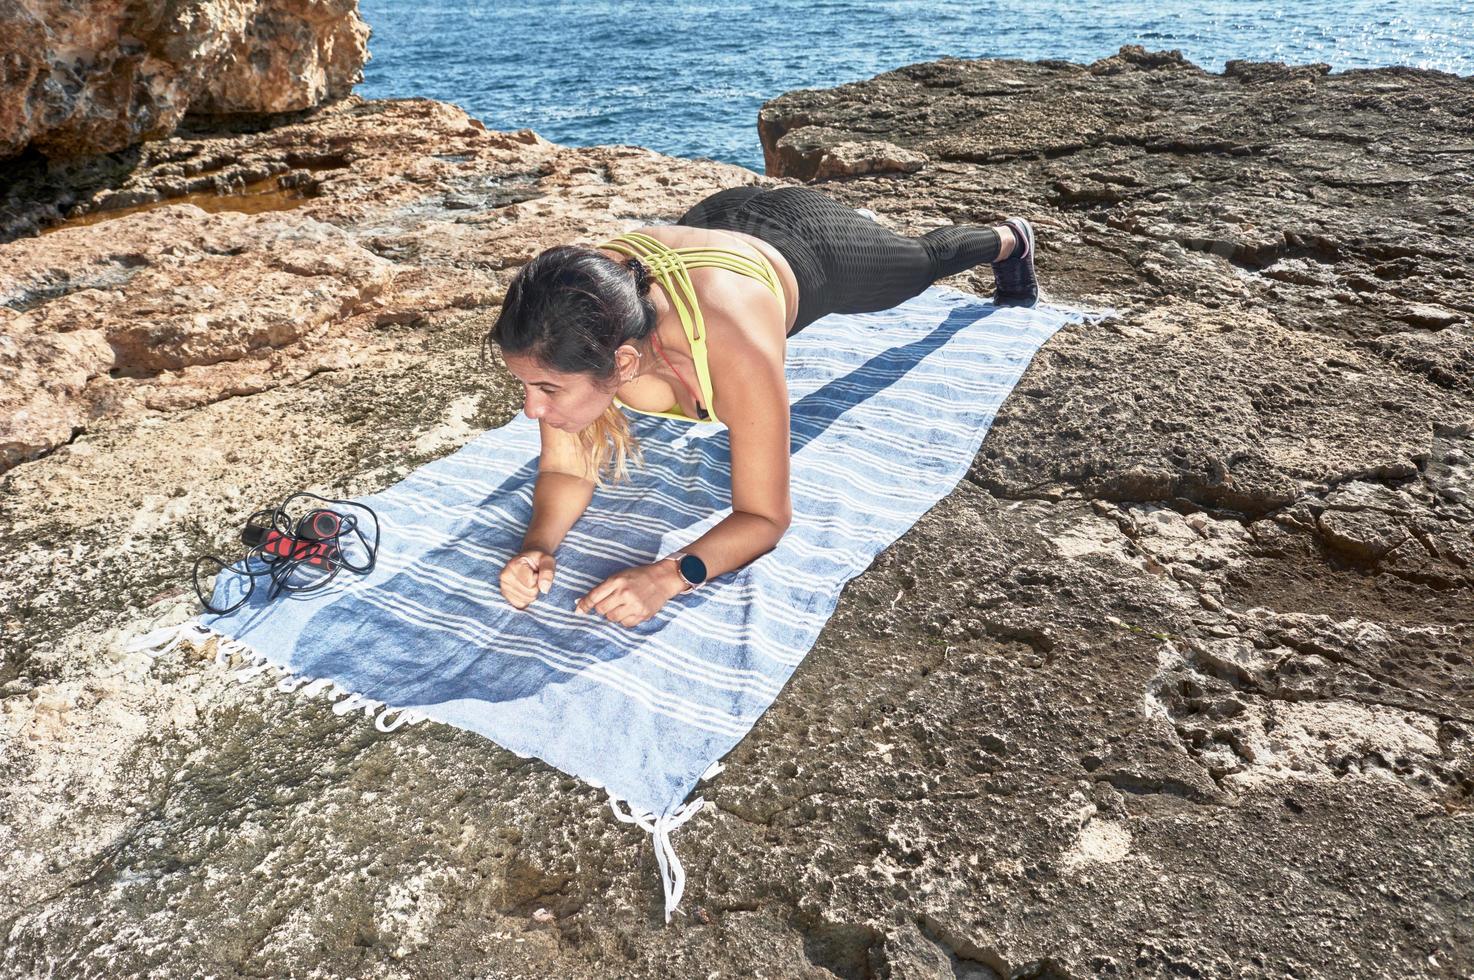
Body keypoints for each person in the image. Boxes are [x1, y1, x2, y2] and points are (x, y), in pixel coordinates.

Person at [486, 184, 1037, 628]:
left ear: (625, 364)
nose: (532, 410)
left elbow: (765, 517)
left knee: (919, 264)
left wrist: (667, 576)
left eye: (548, 390)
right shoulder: (571, 324)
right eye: (529, 388)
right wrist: (538, 547)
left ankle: (1009, 239)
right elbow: (566, 465)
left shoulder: (734, 343)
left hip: (807, 242)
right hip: (711, 220)